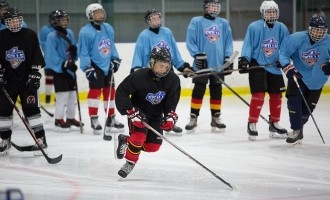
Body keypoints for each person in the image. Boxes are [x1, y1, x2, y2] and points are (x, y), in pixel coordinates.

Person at [114, 46, 181, 178]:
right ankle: (130, 162)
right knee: (139, 137)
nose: (164, 69)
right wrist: (130, 111)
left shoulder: (173, 80)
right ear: (152, 63)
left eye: (166, 66)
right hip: (139, 111)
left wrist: (169, 116)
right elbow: (121, 92)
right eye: (160, 66)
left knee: (152, 147)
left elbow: (171, 102)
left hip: (156, 115)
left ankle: (126, 140)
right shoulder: (139, 76)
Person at [131, 9, 193, 136]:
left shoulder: (167, 32)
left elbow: (173, 52)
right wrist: (137, 70)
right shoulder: (144, 35)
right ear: (148, 21)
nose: (155, 20)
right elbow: (139, 54)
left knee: (170, 98)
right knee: (155, 99)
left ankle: (168, 121)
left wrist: (181, 66)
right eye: (152, 18)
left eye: (157, 18)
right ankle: (153, 122)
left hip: (168, 71)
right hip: (151, 74)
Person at [238, 0, 289, 141]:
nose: (271, 14)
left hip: (274, 67)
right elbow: (248, 45)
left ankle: (274, 124)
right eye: (268, 11)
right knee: (259, 95)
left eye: (273, 11)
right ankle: (252, 123)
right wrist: (244, 60)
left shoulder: (282, 28)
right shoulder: (254, 27)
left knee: (277, 95)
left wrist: (283, 59)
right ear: (263, 13)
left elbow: (286, 47)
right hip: (258, 65)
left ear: (277, 12)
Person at [0, 7, 47, 155]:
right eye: (10, 20)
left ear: (20, 20)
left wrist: (35, 73)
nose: (14, 22)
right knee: (3, 112)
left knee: (32, 111)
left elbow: (36, 55)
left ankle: (41, 140)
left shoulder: (30, 34)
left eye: (16, 19)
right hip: (8, 81)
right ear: (5, 22)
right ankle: (5, 140)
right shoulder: (1, 36)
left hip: (27, 80)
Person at [279, 14, 330, 145]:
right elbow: (283, 52)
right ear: (310, 29)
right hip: (298, 76)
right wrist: (286, 65)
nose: (318, 33)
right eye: (316, 29)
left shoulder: (329, 41)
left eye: (321, 30)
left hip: (317, 81)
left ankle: (299, 127)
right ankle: (296, 130)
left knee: (305, 113)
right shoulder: (297, 38)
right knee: (293, 103)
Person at [185, 0, 233, 133]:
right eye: (211, 6)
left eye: (216, 6)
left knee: (217, 90)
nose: (214, 8)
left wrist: (228, 58)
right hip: (201, 65)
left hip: (218, 65)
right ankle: (193, 117)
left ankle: (216, 117)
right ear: (205, 7)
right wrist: (197, 55)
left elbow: (228, 42)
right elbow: (190, 41)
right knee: (199, 89)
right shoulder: (196, 21)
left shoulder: (223, 23)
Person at [78, 3, 124, 138]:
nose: (100, 15)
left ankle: (111, 118)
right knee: (95, 92)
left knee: (110, 92)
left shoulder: (108, 28)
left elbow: (112, 45)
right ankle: (94, 119)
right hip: (94, 66)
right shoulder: (85, 32)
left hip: (107, 64)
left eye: (101, 12)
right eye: (96, 13)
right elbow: (83, 52)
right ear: (90, 15)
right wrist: (87, 68)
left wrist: (115, 58)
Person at [44, 9, 83, 132]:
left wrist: (74, 53)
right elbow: (50, 56)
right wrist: (65, 64)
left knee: (72, 95)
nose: (63, 21)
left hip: (69, 70)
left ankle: (70, 118)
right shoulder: (51, 36)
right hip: (59, 71)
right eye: (60, 19)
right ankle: (58, 120)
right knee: (62, 96)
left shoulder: (69, 32)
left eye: (65, 19)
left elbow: (73, 49)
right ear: (54, 21)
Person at [39, 10, 56, 104]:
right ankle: (48, 96)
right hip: (48, 58)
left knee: (59, 77)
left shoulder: (60, 29)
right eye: (53, 19)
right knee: (49, 77)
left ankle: (58, 95)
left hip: (59, 58)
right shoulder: (45, 29)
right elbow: (41, 42)